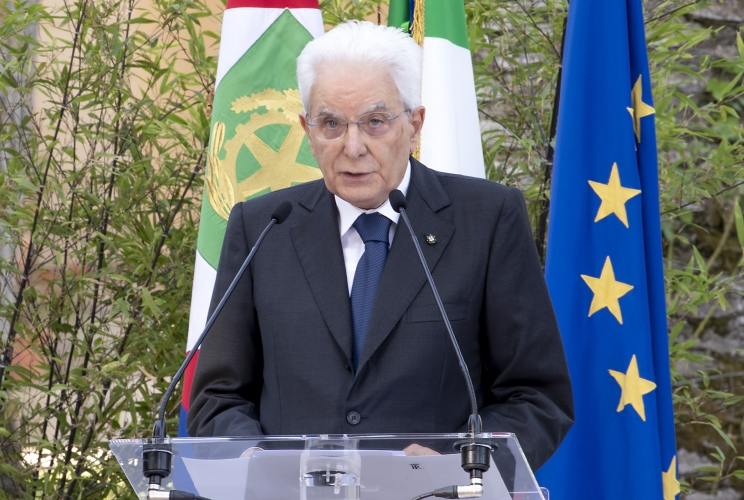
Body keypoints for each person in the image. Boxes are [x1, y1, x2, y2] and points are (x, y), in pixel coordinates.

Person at [187, 21, 573, 471]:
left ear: (414, 125)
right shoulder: (263, 227)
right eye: (331, 124)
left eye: (374, 122)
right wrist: (255, 464)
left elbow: (536, 397)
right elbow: (217, 398)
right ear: (307, 130)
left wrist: (457, 465)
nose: (353, 147)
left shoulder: (486, 219)